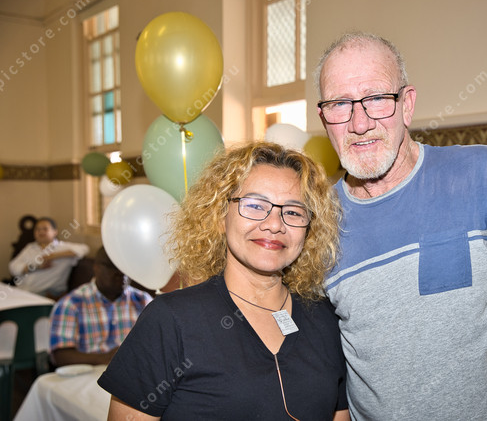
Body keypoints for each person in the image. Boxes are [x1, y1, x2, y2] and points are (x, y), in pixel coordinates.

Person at [315, 32, 487, 420]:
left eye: (377, 98)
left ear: (407, 105)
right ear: (324, 119)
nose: (360, 123)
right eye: (339, 104)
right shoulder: (316, 224)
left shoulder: (480, 173)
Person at [98, 142, 349, 420]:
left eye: (292, 212)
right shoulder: (170, 321)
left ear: (309, 228)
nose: (274, 224)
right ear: (220, 217)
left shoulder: (326, 319)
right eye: (255, 205)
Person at [49, 246, 153, 367]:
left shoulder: (143, 301)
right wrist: (104, 358)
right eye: (113, 266)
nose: (121, 273)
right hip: (89, 373)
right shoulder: (71, 304)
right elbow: (60, 356)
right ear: (96, 268)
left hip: (135, 371)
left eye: (126, 267)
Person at [8, 217, 89, 298]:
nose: (41, 232)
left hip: (44, 293)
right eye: (37, 229)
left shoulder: (62, 246)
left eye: (45, 229)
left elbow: (84, 249)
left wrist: (52, 256)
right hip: (22, 289)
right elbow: (13, 267)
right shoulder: (31, 247)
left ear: (55, 232)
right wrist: (35, 267)